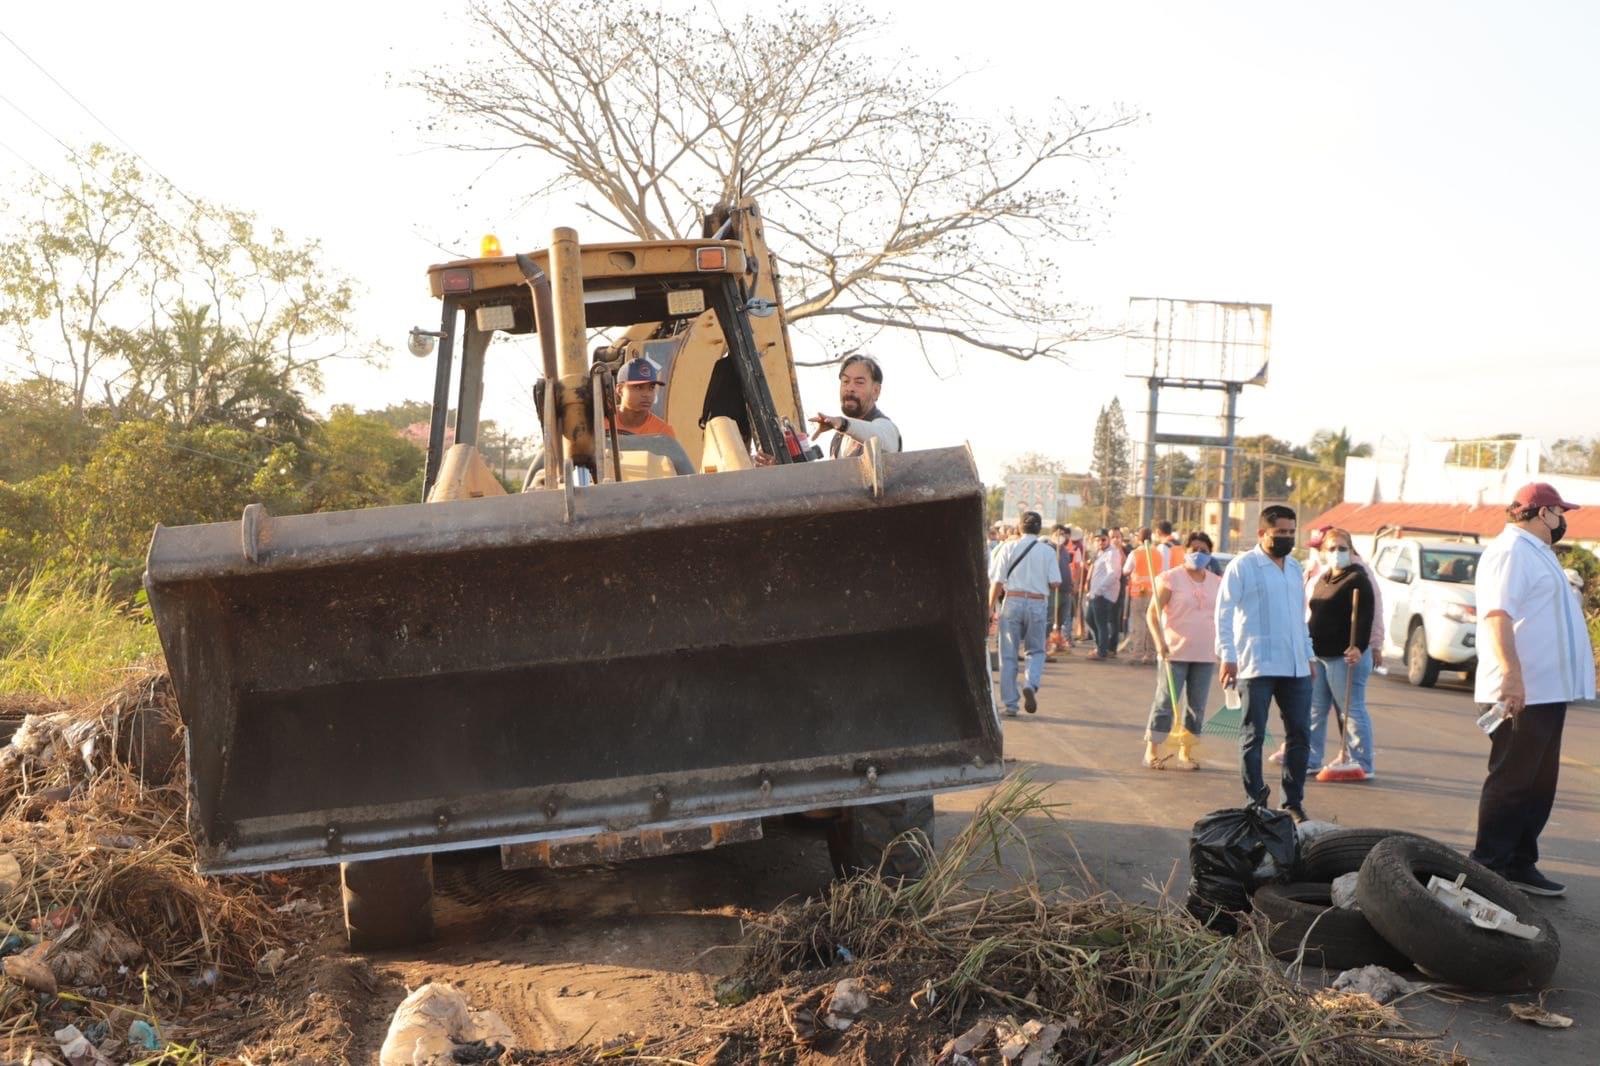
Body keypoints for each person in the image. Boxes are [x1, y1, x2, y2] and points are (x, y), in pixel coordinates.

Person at [1468, 482, 1595, 897]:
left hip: (1548, 691)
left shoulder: (1537, 552)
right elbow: (1497, 616)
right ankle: (1488, 867)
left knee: (1538, 784)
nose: (1562, 520)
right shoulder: (1510, 552)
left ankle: (1520, 862)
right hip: (1522, 690)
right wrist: (1511, 675)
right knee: (1511, 781)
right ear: (1543, 512)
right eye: (1560, 512)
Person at [1215, 505, 1316, 822]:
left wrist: (1308, 654)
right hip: (1255, 664)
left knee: (1300, 735)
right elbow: (1223, 613)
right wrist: (1227, 656)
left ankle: (1292, 802)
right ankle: (1256, 802)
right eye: (1280, 532)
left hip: (1295, 665)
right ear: (1262, 533)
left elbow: (1300, 617)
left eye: (1291, 532)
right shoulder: (1243, 566)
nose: (1286, 537)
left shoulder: (1295, 568)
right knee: (1253, 736)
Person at [1143, 531, 1221, 770]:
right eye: (1194, 549)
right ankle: (1151, 751)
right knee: (1165, 702)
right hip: (1174, 652)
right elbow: (1152, 614)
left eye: (1204, 550)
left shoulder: (1217, 582)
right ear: (1185, 551)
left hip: (1205, 653)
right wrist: (1159, 642)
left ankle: (1185, 753)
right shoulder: (1171, 578)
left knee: (1196, 706)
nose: (1199, 554)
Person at [1305, 528, 1378, 778]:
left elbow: (1366, 616)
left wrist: (1359, 646)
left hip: (1344, 655)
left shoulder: (1357, 579)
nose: (1337, 553)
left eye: (1342, 548)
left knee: (1351, 709)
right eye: (1332, 548)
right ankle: (1311, 758)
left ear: (1351, 550)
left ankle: (1362, 762)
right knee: (1315, 709)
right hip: (1319, 655)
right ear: (1324, 552)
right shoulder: (1324, 578)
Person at [987, 511, 1062, 716]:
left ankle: (1011, 704)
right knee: (1035, 651)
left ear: (1020, 527)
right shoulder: (1048, 551)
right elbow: (1056, 582)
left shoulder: (1008, 547)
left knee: (1008, 655)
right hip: (1037, 603)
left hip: (1012, 600)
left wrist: (989, 608)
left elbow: (997, 582)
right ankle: (1030, 684)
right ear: (1039, 529)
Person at [810, 354, 901, 458]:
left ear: (876, 391)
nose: (850, 388)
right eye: (845, 381)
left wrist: (843, 424)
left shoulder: (886, 427)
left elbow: (879, 439)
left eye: (859, 382)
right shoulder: (838, 439)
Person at [609, 358, 676, 438]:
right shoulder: (600, 423)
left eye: (651, 387)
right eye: (638, 387)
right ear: (620, 390)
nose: (647, 394)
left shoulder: (663, 433)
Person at [1086, 531, 1122, 661]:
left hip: (1104, 594)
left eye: (1103, 539)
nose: (1100, 542)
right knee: (1090, 619)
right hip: (1096, 593)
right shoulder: (1101, 553)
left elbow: (1113, 574)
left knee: (1101, 623)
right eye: (1098, 540)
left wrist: (1099, 590)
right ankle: (1101, 646)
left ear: (1108, 540)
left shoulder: (1112, 553)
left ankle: (1102, 652)